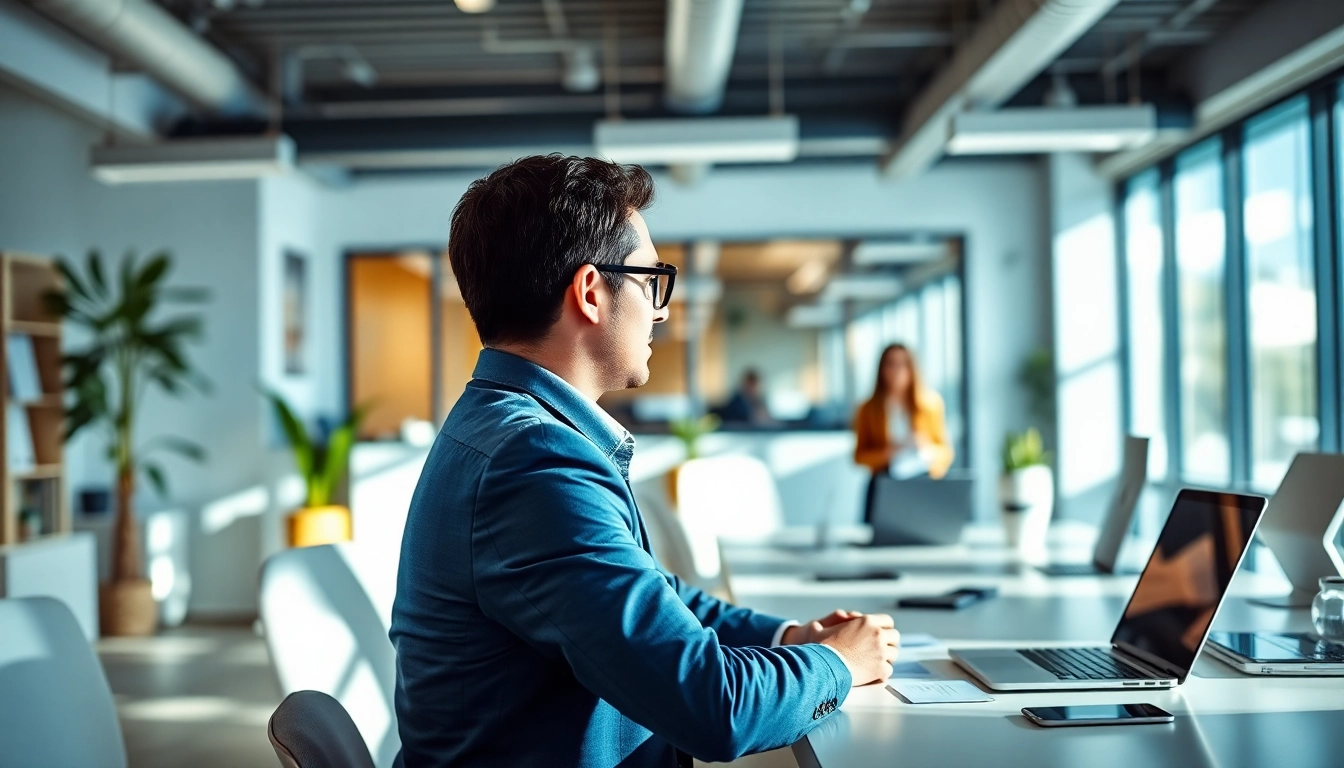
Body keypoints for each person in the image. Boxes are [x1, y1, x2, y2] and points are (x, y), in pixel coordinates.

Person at [390, 155, 901, 768]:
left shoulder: (505, 431)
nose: (661, 310)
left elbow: (650, 595)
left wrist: (788, 638)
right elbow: (716, 709)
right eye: (650, 281)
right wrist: (839, 662)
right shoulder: (533, 463)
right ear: (589, 293)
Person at [853, 343, 954, 523]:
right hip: (883, 485)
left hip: (921, 484)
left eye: (902, 364)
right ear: (881, 369)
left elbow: (946, 453)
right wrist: (890, 452)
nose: (896, 371)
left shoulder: (930, 404)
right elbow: (859, 456)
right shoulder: (867, 409)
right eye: (890, 364)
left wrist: (926, 449)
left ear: (912, 368)